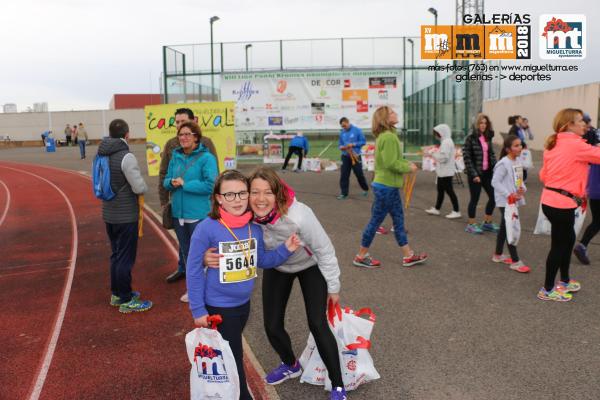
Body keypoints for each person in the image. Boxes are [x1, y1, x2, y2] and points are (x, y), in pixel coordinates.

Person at [186, 170, 300, 400]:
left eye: (241, 193)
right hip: (218, 307)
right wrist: (198, 310)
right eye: (229, 195)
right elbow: (193, 269)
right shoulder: (207, 228)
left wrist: (285, 249)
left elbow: (263, 261)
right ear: (218, 198)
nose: (236, 199)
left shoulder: (254, 228)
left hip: (243, 306)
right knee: (233, 355)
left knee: (228, 354)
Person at [353, 106, 427, 269]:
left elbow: (392, 160)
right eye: (392, 112)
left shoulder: (387, 136)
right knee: (375, 222)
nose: (395, 113)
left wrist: (406, 163)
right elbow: (390, 163)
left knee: (399, 221)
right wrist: (409, 167)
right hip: (386, 187)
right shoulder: (388, 137)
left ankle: (408, 256)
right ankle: (360, 256)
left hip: (388, 187)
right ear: (385, 119)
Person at [537, 108, 600, 302]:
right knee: (559, 245)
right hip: (561, 204)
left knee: (568, 239)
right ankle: (547, 289)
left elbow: (543, 176)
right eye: (580, 121)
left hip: (551, 200)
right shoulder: (575, 145)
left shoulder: (553, 143)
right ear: (569, 125)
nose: (585, 124)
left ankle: (564, 280)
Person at [98, 119, 152, 313]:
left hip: (109, 213)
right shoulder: (125, 156)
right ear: (127, 134)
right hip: (125, 215)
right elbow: (139, 186)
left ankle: (117, 294)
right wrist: (144, 186)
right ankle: (127, 300)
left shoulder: (101, 153)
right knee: (125, 258)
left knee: (115, 254)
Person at [160, 108, 219, 284]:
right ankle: (193, 286)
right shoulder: (175, 155)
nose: (183, 137)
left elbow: (211, 183)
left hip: (198, 213)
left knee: (201, 252)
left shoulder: (206, 155)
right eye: (180, 134)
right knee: (186, 251)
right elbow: (165, 178)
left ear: (195, 136)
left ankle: (208, 285)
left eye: (187, 134)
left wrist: (186, 184)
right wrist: (170, 184)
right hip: (179, 213)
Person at [491, 135, 530, 273]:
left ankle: (498, 254)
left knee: (504, 226)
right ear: (508, 149)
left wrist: (521, 189)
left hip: (513, 200)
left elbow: (519, 181)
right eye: (516, 145)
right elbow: (495, 182)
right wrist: (509, 194)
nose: (520, 147)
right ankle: (515, 261)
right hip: (505, 201)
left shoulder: (517, 161)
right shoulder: (503, 163)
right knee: (510, 227)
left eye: (520, 145)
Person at [463, 113, 498, 234]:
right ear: (477, 124)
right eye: (481, 123)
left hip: (488, 173)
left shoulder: (488, 137)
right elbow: (466, 157)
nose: (483, 125)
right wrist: (474, 175)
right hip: (476, 174)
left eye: (485, 123)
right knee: (475, 199)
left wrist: (497, 168)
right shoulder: (470, 138)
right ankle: (471, 224)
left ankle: (487, 223)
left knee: (494, 197)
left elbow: (491, 154)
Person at [574, 113, 600, 264]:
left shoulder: (592, 151)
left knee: (597, 221)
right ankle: (582, 245)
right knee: (597, 221)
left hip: (594, 191)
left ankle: (582, 245)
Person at [425, 124, 461, 219]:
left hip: (446, 172)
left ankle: (456, 211)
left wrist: (432, 153)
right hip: (443, 171)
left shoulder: (446, 142)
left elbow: (443, 158)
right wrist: (435, 154)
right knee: (440, 190)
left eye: (437, 134)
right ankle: (437, 209)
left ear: (442, 133)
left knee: (449, 191)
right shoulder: (446, 141)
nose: (436, 136)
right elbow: (443, 156)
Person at [337, 117, 369, 200]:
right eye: (342, 126)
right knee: (344, 175)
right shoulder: (342, 133)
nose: (344, 128)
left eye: (344, 126)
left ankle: (365, 188)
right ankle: (344, 193)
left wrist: (353, 145)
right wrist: (342, 147)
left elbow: (363, 142)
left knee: (359, 174)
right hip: (345, 156)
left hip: (355, 156)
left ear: (348, 122)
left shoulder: (357, 130)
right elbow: (339, 144)